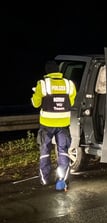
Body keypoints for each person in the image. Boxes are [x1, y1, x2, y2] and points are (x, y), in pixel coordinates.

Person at [31, 60, 77, 191]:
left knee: (45, 152)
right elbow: (71, 102)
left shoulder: (43, 84)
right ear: (58, 71)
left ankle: (45, 179)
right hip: (63, 124)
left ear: (47, 72)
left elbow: (35, 103)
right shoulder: (69, 84)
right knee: (63, 152)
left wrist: (35, 94)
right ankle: (62, 181)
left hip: (47, 124)